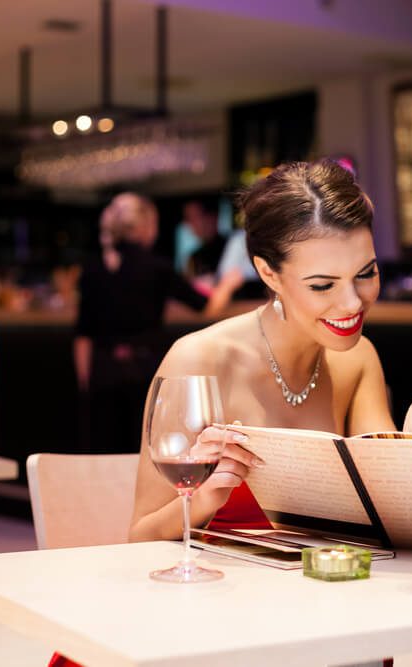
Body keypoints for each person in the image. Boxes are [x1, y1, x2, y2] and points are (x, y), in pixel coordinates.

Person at [129, 160, 395, 541]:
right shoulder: (198, 361)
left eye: (366, 274)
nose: (353, 303)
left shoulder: (358, 358)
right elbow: (139, 537)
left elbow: (391, 507)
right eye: (323, 285)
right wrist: (206, 498)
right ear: (269, 273)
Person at [74, 192, 242, 455]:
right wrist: (229, 283)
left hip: (102, 370)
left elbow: (83, 334)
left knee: (104, 450)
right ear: (143, 227)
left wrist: (87, 384)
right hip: (144, 370)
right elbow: (206, 306)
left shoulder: (92, 269)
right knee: (141, 449)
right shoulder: (156, 267)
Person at [182, 196, 228, 279]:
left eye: (194, 217)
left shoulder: (231, 247)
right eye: (188, 218)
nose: (189, 224)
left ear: (212, 217)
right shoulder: (194, 258)